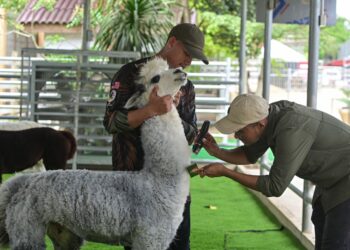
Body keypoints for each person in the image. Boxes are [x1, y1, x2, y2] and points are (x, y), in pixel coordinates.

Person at [193, 93, 350, 250]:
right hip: (330, 180)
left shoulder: (291, 128)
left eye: (240, 130)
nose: (236, 135)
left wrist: (227, 172)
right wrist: (216, 151)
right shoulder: (269, 116)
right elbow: (248, 156)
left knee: (336, 241)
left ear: (259, 124)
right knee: (322, 228)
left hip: (344, 178)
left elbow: (274, 187)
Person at [103, 23, 209, 250]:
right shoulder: (131, 74)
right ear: (172, 43)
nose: (189, 61)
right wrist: (150, 110)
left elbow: (191, 133)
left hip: (174, 188)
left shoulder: (186, 86)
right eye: (187, 53)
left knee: (179, 245)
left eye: (194, 57)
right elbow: (110, 123)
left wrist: (171, 112)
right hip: (134, 185)